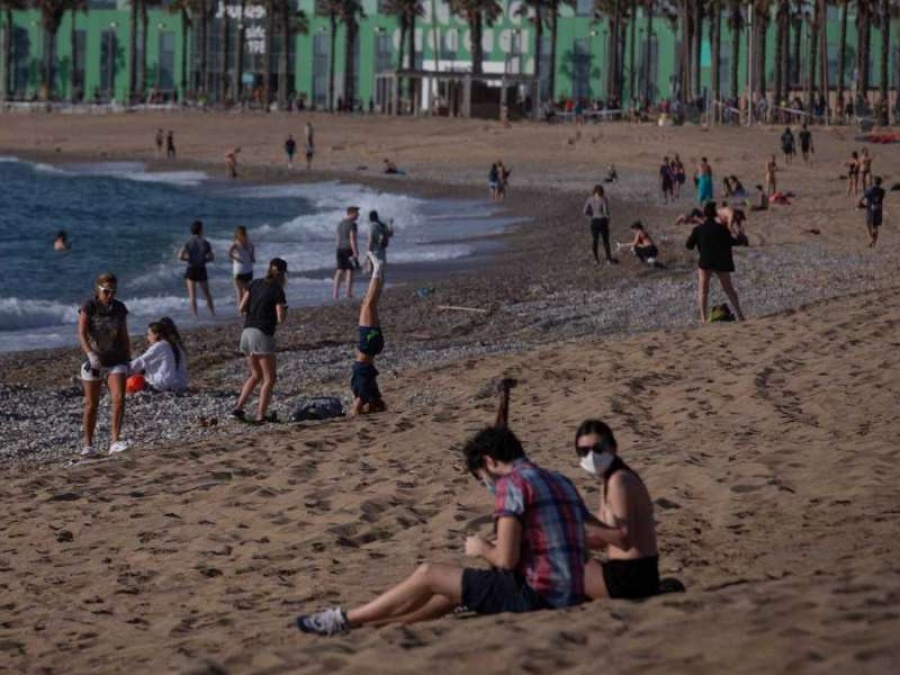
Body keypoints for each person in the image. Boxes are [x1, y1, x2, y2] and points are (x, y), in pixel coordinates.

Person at [296, 423, 592, 635]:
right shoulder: (559, 479)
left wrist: (481, 548)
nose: (487, 486)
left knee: (429, 574)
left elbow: (506, 561)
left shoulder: (511, 484)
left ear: (489, 461)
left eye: (481, 478)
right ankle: (379, 626)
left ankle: (343, 618)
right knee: (453, 590)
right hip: (572, 590)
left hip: (539, 597)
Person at [575, 420, 660, 600]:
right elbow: (602, 539)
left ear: (613, 448)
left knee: (564, 569)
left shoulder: (618, 481)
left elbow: (624, 540)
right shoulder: (610, 479)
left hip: (631, 577)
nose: (591, 456)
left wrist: (583, 517)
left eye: (598, 449)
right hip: (633, 573)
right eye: (584, 451)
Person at [77, 273, 131, 457]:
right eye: (106, 291)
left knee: (119, 397)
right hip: (94, 361)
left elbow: (124, 335)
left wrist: (128, 358)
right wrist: (90, 354)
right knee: (91, 404)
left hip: (116, 359)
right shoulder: (89, 306)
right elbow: (82, 333)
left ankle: (115, 440)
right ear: (98, 289)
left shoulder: (120, 308)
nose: (110, 295)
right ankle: (88, 444)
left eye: (113, 291)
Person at [231, 258, 288, 423]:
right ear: (283, 274)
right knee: (269, 378)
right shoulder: (277, 289)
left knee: (255, 375)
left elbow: (241, 308)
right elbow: (280, 318)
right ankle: (260, 416)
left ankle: (238, 408)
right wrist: (284, 310)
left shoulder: (254, 283)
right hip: (262, 333)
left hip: (247, 332)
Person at [685, 201, 747, 323]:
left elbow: (688, 246)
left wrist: (698, 241)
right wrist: (741, 237)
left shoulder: (698, 229)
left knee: (703, 290)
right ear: (715, 214)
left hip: (705, 262)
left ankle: (703, 318)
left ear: (704, 214)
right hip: (721, 262)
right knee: (729, 289)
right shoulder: (722, 229)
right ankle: (740, 315)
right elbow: (733, 242)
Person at [350, 253, 388, 415]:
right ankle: (377, 270)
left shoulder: (370, 390)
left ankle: (379, 273)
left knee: (369, 305)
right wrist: (354, 411)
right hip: (369, 344)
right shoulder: (364, 391)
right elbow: (355, 411)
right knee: (367, 305)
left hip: (371, 345)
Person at [129, 321, 187, 392]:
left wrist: (123, 369)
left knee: (131, 381)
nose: (147, 337)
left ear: (156, 335)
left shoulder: (160, 346)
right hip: (180, 383)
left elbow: (140, 363)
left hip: (162, 385)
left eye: (148, 334)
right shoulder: (175, 346)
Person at [178, 219, 216, 317]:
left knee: (192, 296)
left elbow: (180, 256)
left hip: (191, 269)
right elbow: (212, 257)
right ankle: (213, 313)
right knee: (207, 294)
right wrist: (204, 260)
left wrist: (189, 259)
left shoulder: (188, 242)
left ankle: (195, 316)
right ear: (201, 230)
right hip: (201, 269)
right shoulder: (205, 243)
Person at [583, 185, 618, 265]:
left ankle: (596, 259)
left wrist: (592, 214)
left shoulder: (590, 199)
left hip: (594, 221)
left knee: (595, 240)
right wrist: (608, 220)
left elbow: (585, 211)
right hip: (602, 221)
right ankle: (608, 259)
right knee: (605, 241)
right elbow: (606, 212)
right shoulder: (603, 199)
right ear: (601, 192)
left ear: (594, 191)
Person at [333, 206, 360, 300]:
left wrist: (337, 248)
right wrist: (356, 252)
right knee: (349, 272)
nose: (358, 215)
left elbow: (337, 238)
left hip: (339, 249)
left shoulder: (340, 223)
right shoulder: (352, 224)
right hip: (348, 249)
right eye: (357, 213)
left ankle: (335, 294)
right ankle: (348, 293)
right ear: (351, 213)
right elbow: (352, 239)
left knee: (339, 271)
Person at [228, 226, 256, 307]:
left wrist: (236, 258)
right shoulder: (251, 245)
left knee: (239, 293)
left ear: (237, 234)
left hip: (239, 271)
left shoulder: (235, 244)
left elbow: (229, 254)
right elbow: (253, 259)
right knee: (247, 293)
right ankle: (246, 311)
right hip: (248, 270)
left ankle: (240, 312)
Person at [858, 176, 886, 248]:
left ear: (873, 182)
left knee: (868, 224)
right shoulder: (882, 191)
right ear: (880, 183)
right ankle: (874, 242)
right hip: (878, 209)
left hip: (870, 209)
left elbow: (861, 199)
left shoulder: (869, 190)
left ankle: (871, 238)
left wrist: (860, 205)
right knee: (875, 226)